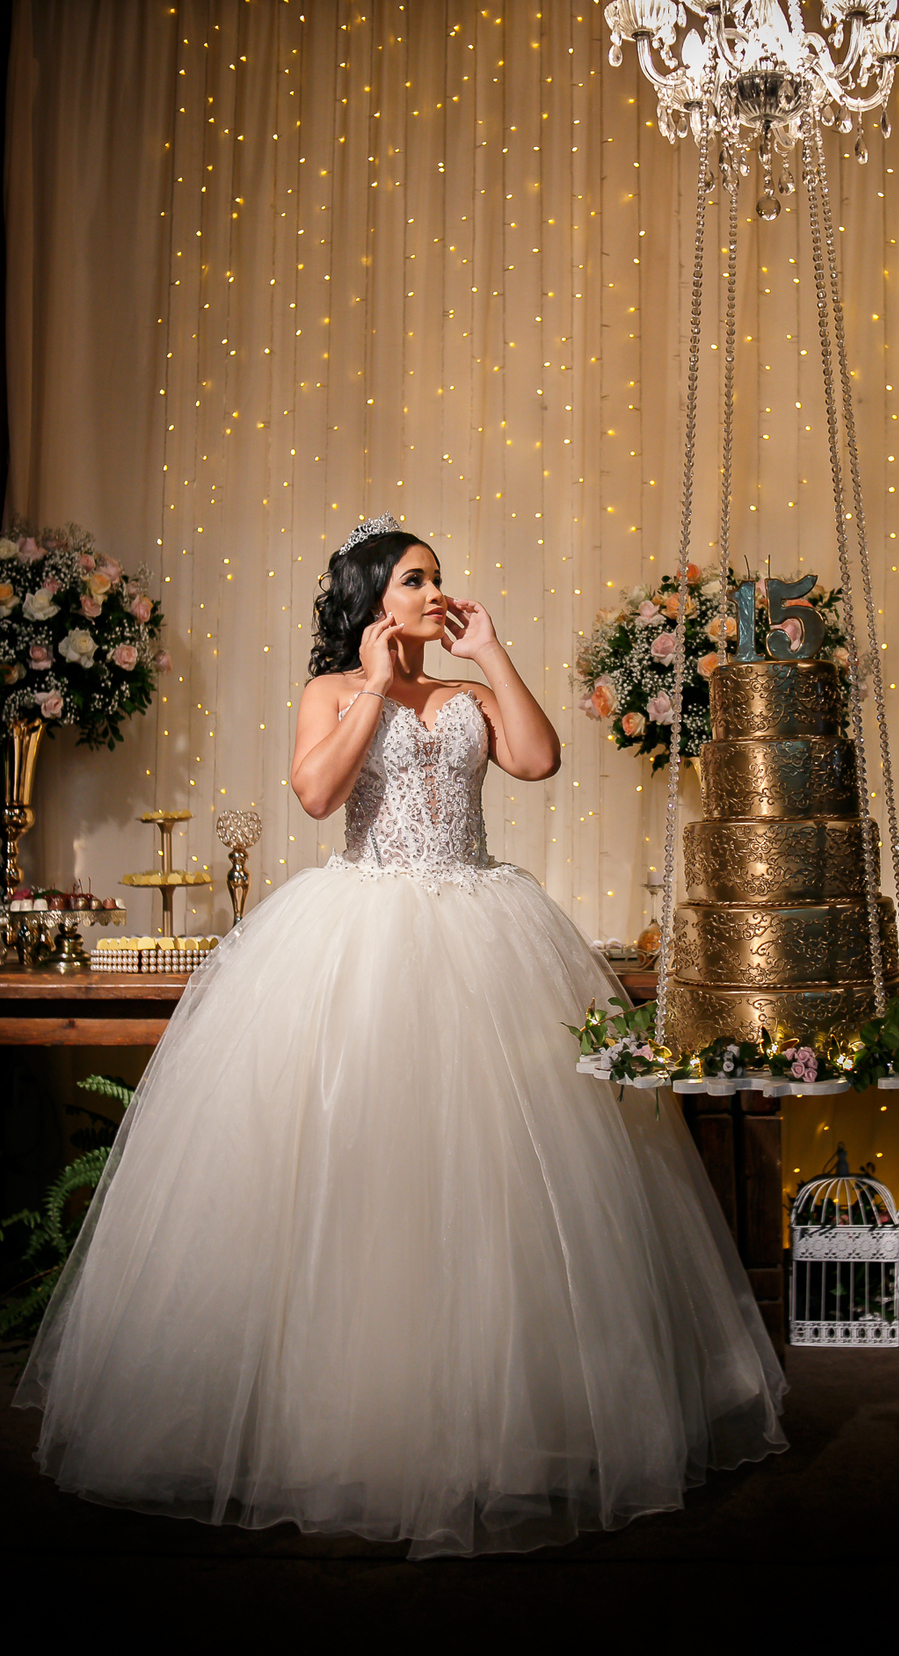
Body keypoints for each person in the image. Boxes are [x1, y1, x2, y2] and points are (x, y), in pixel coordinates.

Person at [15, 516, 786, 1557]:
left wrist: (492, 654)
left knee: (492, 1174)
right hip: (364, 931)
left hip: (481, 925)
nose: (435, 593)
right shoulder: (333, 691)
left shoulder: (469, 692)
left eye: (438, 578)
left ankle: (501, 1424)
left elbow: (539, 760)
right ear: (373, 597)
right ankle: (352, 1422)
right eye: (415, 579)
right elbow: (316, 794)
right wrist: (375, 688)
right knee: (368, 1170)